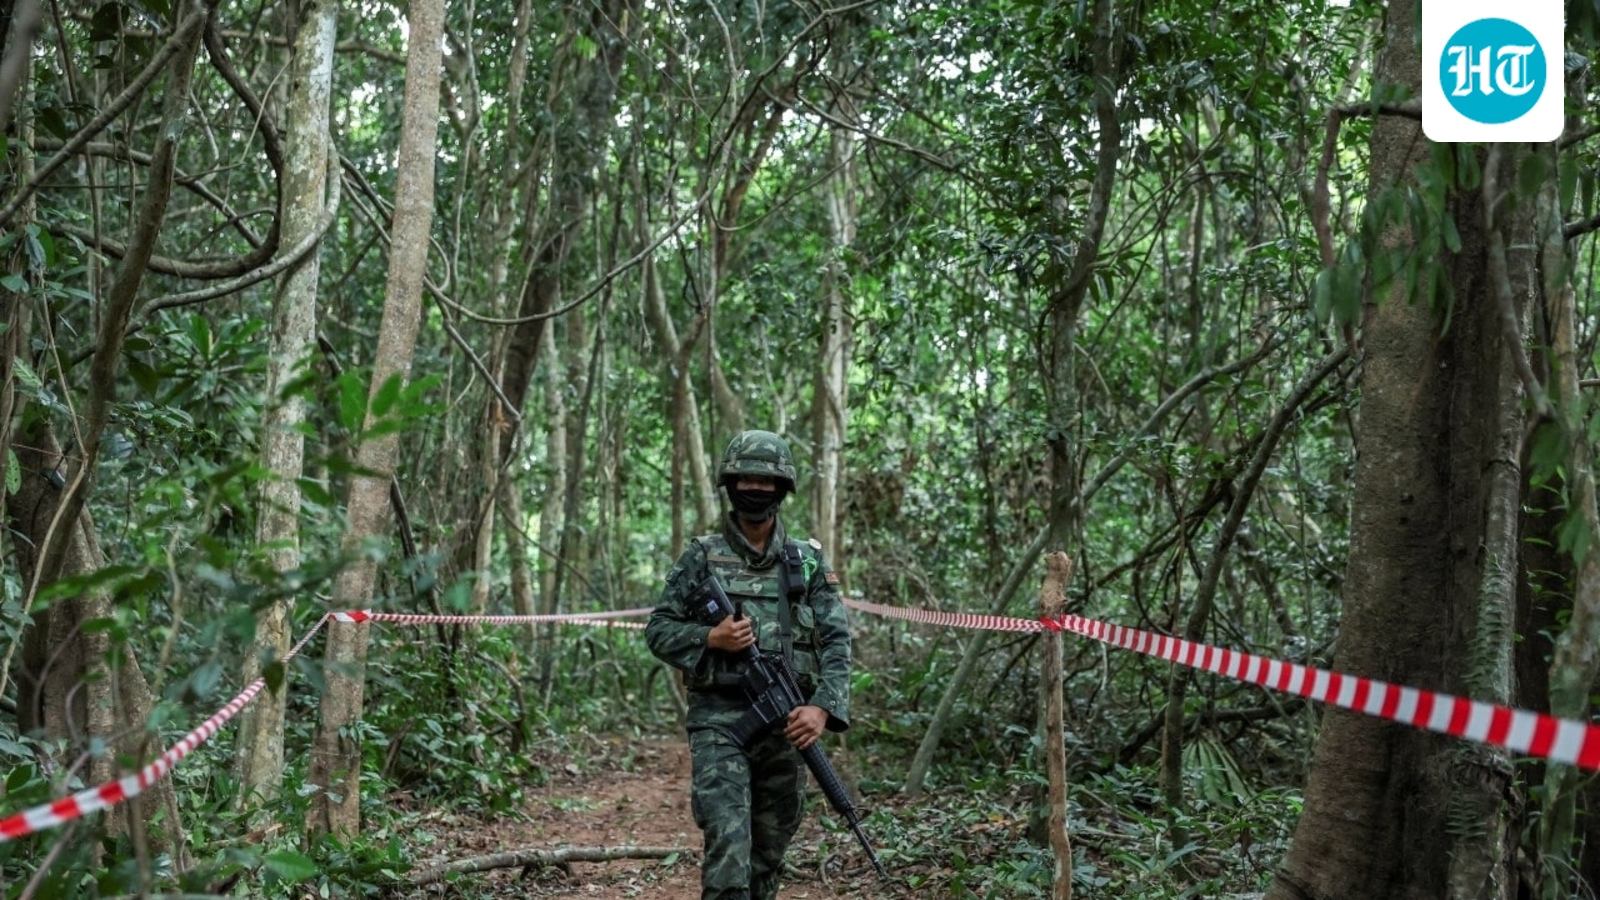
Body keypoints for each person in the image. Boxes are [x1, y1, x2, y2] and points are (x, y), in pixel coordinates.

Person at [645, 430, 853, 900]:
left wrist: (821, 707)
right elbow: (658, 629)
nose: (756, 489)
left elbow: (837, 641)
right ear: (729, 484)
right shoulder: (702, 556)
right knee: (728, 842)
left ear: (782, 488)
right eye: (746, 479)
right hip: (720, 722)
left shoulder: (807, 561)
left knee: (768, 854)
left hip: (788, 724)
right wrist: (709, 637)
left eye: (767, 481)